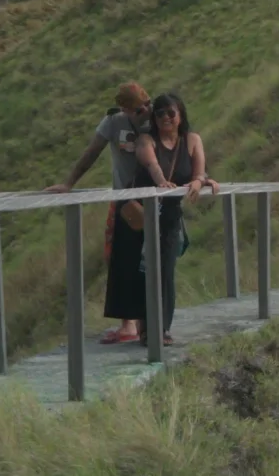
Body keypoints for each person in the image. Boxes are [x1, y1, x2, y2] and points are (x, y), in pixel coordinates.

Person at [45, 82, 153, 344]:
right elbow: (92, 152)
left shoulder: (157, 119)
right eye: (138, 108)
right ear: (124, 108)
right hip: (122, 200)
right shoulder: (113, 122)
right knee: (117, 257)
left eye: (146, 104)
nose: (144, 111)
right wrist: (69, 183)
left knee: (148, 260)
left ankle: (146, 323)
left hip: (151, 198)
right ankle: (128, 324)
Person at [119, 92, 214, 345]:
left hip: (169, 215)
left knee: (165, 271)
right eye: (159, 113)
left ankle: (161, 329)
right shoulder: (146, 140)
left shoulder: (192, 140)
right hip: (140, 213)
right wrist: (162, 182)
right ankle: (148, 330)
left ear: (181, 114)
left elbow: (199, 171)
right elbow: (152, 165)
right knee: (141, 271)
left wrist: (199, 181)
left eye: (171, 112)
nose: (165, 118)